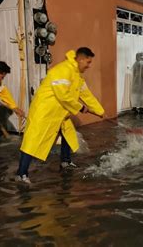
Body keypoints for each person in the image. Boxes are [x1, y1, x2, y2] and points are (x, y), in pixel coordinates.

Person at [16, 47, 104, 183]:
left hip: (61, 112)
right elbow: (62, 95)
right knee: (32, 142)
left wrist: (100, 111)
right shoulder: (63, 70)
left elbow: (86, 94)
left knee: (67, 133)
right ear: (80, 59)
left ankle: (65, 161)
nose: (89, 66)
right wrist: (81, 108)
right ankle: (21, 174)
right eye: (88, 62)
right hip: (45, 112)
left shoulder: (77, 75)